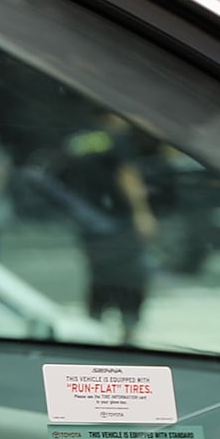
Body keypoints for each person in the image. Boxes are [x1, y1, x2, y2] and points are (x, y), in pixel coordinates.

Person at [61, 112, 158, 341]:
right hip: (119, 220)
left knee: (99, 274)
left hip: (90, 221)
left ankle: (94, 324)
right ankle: (129, 330)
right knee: (132, 276)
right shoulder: (117, 139)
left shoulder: (80, 139)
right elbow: (127, 176)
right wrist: (142, 212)